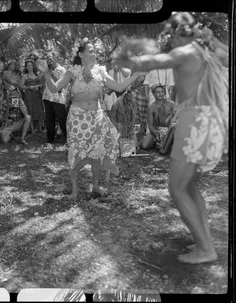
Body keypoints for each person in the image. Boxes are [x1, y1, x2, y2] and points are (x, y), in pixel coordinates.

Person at [116, 12, 228, 264]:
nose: (169, 40)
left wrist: (127, 54)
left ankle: (205, 249)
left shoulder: (185, 52)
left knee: (176, 188)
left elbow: (149, 63)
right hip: (205, 121)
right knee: (189, 186)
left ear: (177, 33)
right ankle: (205, 240)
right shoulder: (202, 51)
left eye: (170, 34)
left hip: (194, 125)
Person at [36, 38, 145, 199]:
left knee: (97, 152)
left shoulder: (101, 71)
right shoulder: (72, 72)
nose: (94, 54)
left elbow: (120, 87)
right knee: (76, 151)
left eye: (95, 51)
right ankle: (74, 191)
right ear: (81, 54)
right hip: (77, 119)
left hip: (96, 118)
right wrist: (45, 72)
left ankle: (95, 186)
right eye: (91, 51)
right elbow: (54, 88)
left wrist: (136, 74)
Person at [41, 51, 68, 144]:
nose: (49, 61)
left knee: (62, 119)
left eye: (51, 58)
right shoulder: (46, 70)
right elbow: (41, 81)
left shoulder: (62, 70)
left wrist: (51, 75)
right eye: (48, 59)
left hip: (58, 99)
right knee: (49, 120)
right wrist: (44, 72)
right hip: (47, 97)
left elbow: (61, 85)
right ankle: (50, 140)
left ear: (56, 58)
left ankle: (68, 139)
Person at [140, 84, 176, 152]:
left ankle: (168, 142)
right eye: (158, 92)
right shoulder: (151, 108)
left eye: (162, 92)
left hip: (170, 130)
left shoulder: (171, 104)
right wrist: (156, 135)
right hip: (157, 131)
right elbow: (150, 125)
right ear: (153, 94)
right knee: (144, 145)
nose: (160, 94)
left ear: (164, 93)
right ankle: (159, 143)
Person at [19, 59, 44, 134]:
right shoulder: (25, 76)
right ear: (26, 67)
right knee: (30, 111)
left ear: (33, 66)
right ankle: (32, 129)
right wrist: (29, 87)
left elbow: (42, 83)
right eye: (28, 65)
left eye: (31, 65)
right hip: (28, 95)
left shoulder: (38, 75)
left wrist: (39, 86)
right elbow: (21, 86)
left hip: (37, 95)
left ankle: (40, 128)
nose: (29, 66)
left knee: (39, 110)